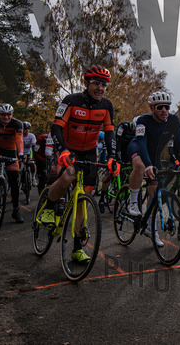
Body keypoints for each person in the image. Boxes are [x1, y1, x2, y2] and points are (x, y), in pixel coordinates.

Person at [39, 65, 119, 264]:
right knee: (68, 176)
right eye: (96, 83)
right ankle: (49, 207)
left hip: (90, 153)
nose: (100, 88)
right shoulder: (71, 101)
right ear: (86, 83)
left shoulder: (106, 105)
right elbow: (56, 128)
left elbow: (110, 132)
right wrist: (63, 151)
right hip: (69, 149)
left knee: (84, 198)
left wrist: (112, 157)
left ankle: (76, 248)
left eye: (104, 85)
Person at [123, 91, 180, 246]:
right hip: (138, 148)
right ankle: (132, 202)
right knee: (140, 166)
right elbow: (141, 143)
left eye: (167, 107)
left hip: (155, 155)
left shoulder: (173, 120)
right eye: (160, 107)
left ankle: (151, 228)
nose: (164, 110)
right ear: (152, 108)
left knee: (154, 191)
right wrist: (148, 165)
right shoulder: (143, 120)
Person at [98, 119, 135, 213]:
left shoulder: (138, 131)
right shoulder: (123, 127)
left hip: (127, 153)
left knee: (128, 175)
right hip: (117, 152)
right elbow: (117, 142)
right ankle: (102, 198)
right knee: (109, 173)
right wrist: (117, 159)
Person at [21, 121, 37, 187]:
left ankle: (33, 178)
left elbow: (34, 145)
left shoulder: (31, 136)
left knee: (32, 164)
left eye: (28, 128)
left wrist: (35, 156)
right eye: (25, 128)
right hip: (20, 152)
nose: (27, 130)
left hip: (28, 153)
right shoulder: (19, 135)